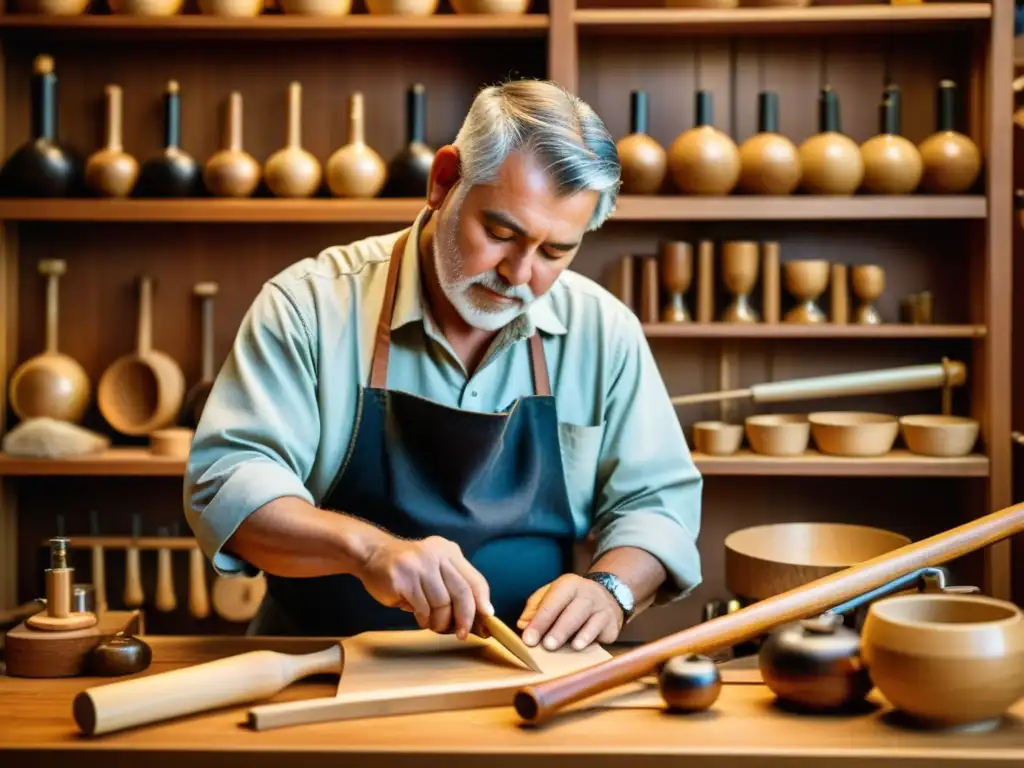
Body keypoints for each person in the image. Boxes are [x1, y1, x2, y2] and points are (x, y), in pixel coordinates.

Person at [184, 79, 703, 653]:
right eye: (502, 233)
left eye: (556, 251)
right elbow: (229, 484)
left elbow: (657, 505)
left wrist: (610, 588)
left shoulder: (602, 331)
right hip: (317, 664)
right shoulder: (310, 306)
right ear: (444, 180)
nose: (520, 274)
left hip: (519, 673)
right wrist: (371, 552)